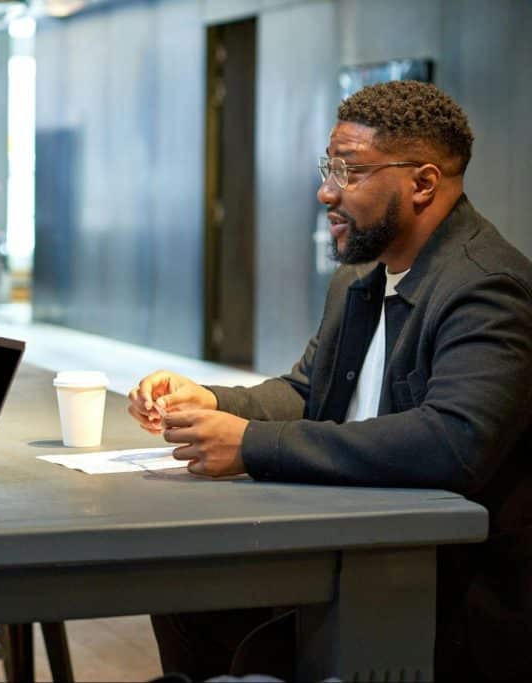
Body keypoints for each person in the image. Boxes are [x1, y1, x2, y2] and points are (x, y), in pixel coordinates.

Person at [128, 80, 532, 682]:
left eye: (351, 172)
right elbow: (307, 392)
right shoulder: (362, 275)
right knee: (185, 590)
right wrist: (209, 400)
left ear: (423, 183)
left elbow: (451, 442)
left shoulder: (485, 287)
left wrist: (249, 443)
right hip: (350, 538)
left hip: (443, 586)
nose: (326, 191)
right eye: (329, 167)